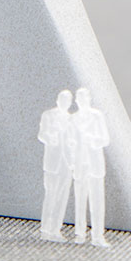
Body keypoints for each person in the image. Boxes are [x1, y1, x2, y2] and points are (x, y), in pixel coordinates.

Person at [70, 86, 110, 247]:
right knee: (80, 201)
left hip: (94, 164)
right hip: (80, 164)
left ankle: (98, 235)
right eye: (79, 98)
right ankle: (80, 234)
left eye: (84, 97)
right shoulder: (73, 119)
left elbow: (104, 139)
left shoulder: (97, 116)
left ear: (89, 99)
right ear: (77, 101)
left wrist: (91, 140)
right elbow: (70, 141)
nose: (82, 101)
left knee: (97, 201)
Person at [36, 88, 76, 241]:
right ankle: (45, 228)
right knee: (50, 194)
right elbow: (42, 135)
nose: (65, 103)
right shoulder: (48, 115)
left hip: (67, 163)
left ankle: (56, 229)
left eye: (68, 100)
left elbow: (74, 140)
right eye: (63, 99)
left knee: (62, 196)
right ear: (58, 100)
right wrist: (51, 137)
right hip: (52, 162)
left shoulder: (71, 119)